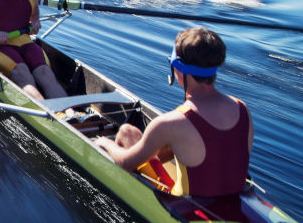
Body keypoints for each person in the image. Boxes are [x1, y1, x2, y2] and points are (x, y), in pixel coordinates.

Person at [94, 27, 253, 198]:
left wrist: (104, 143)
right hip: (233, 197)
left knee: (125, 133)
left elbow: (124, 162)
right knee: (131, 133)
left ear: (178, 70)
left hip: (186, 205)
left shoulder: (172, 123)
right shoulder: (242, 108)